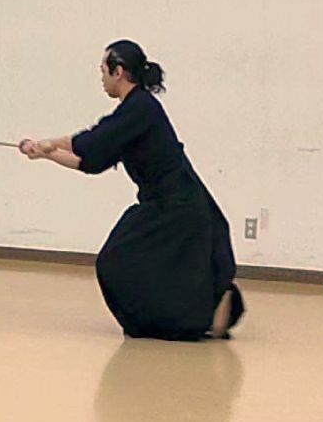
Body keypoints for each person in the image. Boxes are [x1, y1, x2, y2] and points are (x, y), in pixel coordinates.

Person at [19, 39, 243, 340]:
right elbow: (90, 161)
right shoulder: (130, 112)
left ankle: (206, 312)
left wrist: (51, 143)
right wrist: (45, 153)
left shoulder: (141, 108)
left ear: (119, 71)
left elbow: (92, 140)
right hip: (162, 204)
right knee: (127, 262)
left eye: (103, 71)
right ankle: (189, 316)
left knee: (117, 261)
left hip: (179, 205)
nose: (102, 78)